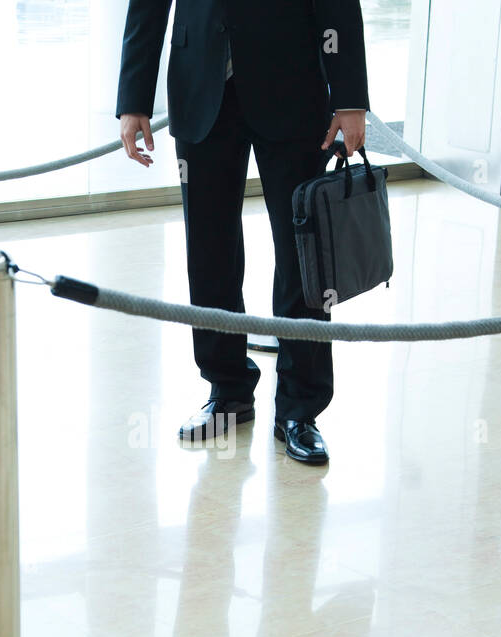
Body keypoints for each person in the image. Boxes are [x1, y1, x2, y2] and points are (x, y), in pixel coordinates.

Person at [117, 0, 369, 465]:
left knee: (301, 258)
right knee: (209, 253)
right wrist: (133, 98)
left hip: (292, 84)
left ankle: (299, 409)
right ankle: (227, 389)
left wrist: (350, 97)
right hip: (199, 87)